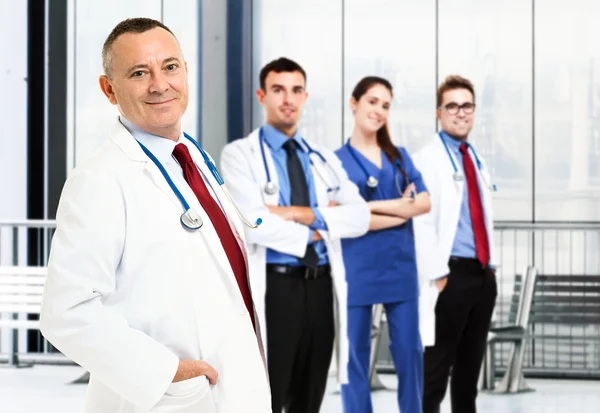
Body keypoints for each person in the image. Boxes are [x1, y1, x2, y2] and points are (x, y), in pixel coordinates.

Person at [39, 18, 270, 413]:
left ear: (185, 72)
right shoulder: (98, 179)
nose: (160, 84)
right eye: (139, 72)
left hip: (234, 384)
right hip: (171, 398)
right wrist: (166, 372)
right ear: (109, 89)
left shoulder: (194, 158)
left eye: (170, 66)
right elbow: (66, 311)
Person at [219, 57, 370, 413]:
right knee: (268, 395)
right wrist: (323, 226)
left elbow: (360, 215)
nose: (288, 98)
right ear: (262, 95)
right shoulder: (240, 155)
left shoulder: (322, 158)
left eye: (296, 90)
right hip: (277, 289)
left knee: (310, 395)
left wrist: (302, 215)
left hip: (321, 287)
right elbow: (253, 222)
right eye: (278, 90)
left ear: (305, 96)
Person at [333, 76, 432, 413]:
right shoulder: (334, 163)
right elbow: (345, 219)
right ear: (354, 103)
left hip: (399, 269)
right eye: (372, 101)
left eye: (385, 105)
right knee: (354, 358)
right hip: (356, 269)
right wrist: (400, 211)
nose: (378, 110)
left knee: (409, 353)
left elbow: (424, 203)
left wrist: (366, 208)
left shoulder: (399, 157)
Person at [412, 75, 498, 413]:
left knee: (467, 382)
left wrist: (489, 269)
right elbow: (418, 222)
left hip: (481, 278)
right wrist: (439, 273)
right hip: (449, 276)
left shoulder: (475, 159)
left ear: (474, 111)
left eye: (467, 106)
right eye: (452, 106)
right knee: (433, 376)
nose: (460, 113)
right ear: (439, 112)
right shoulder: (425, 160)